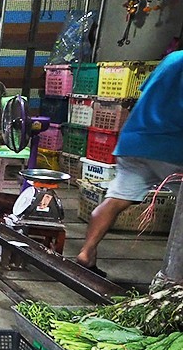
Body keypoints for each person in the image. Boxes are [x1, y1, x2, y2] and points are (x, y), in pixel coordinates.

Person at [76, 51, 183, 276]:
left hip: (134, 141)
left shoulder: (173, 59)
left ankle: (86, 252)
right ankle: (175, 277)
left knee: (114, 200)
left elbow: (145, 92)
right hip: (172, 148)